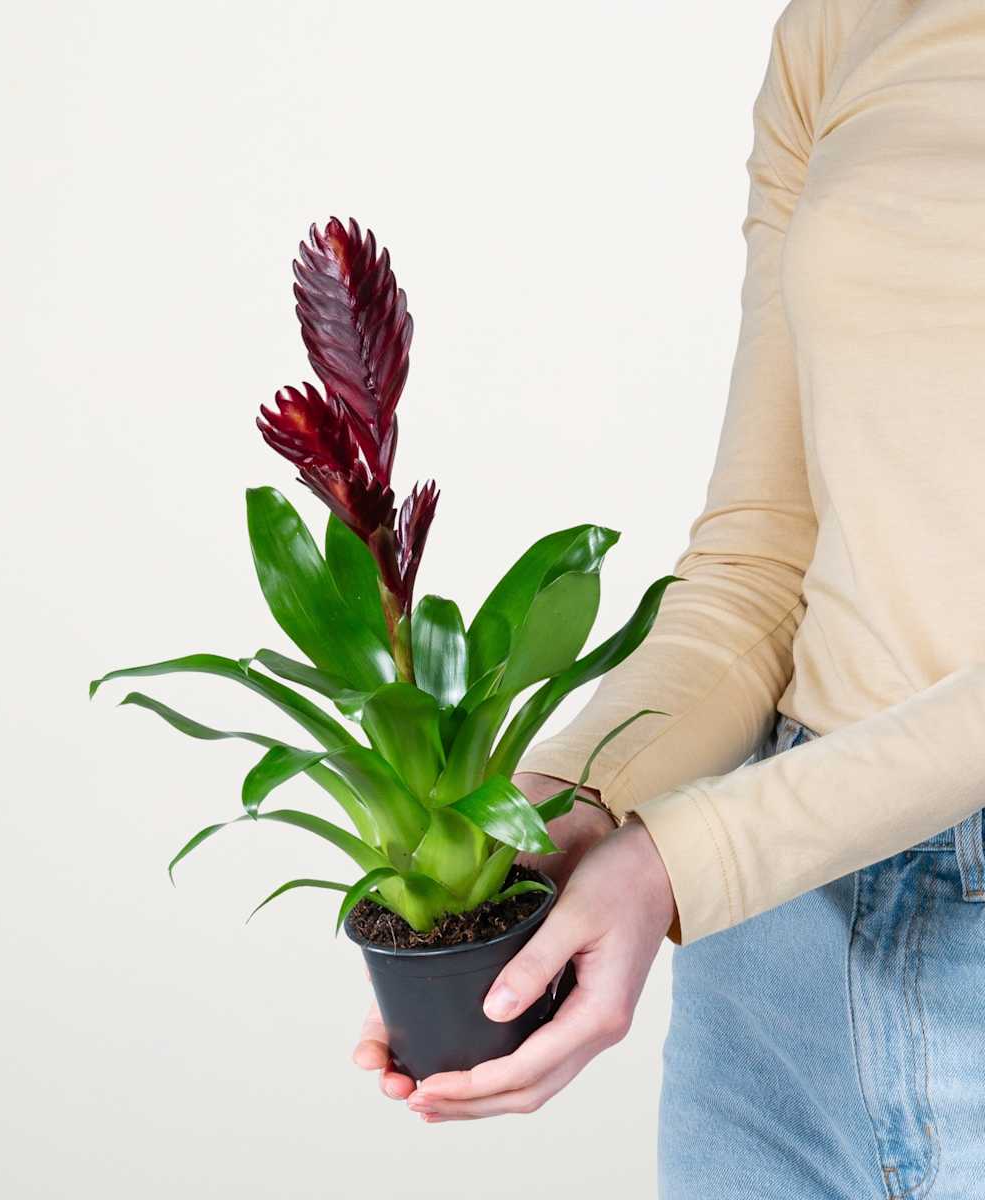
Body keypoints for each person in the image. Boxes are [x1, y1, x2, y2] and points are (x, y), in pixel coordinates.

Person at [352, 0, 985, 1194]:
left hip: (741, 863)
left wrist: (679, 864)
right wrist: (559, 812)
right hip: (780, 964)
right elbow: (760, 562)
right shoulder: (845, 25)